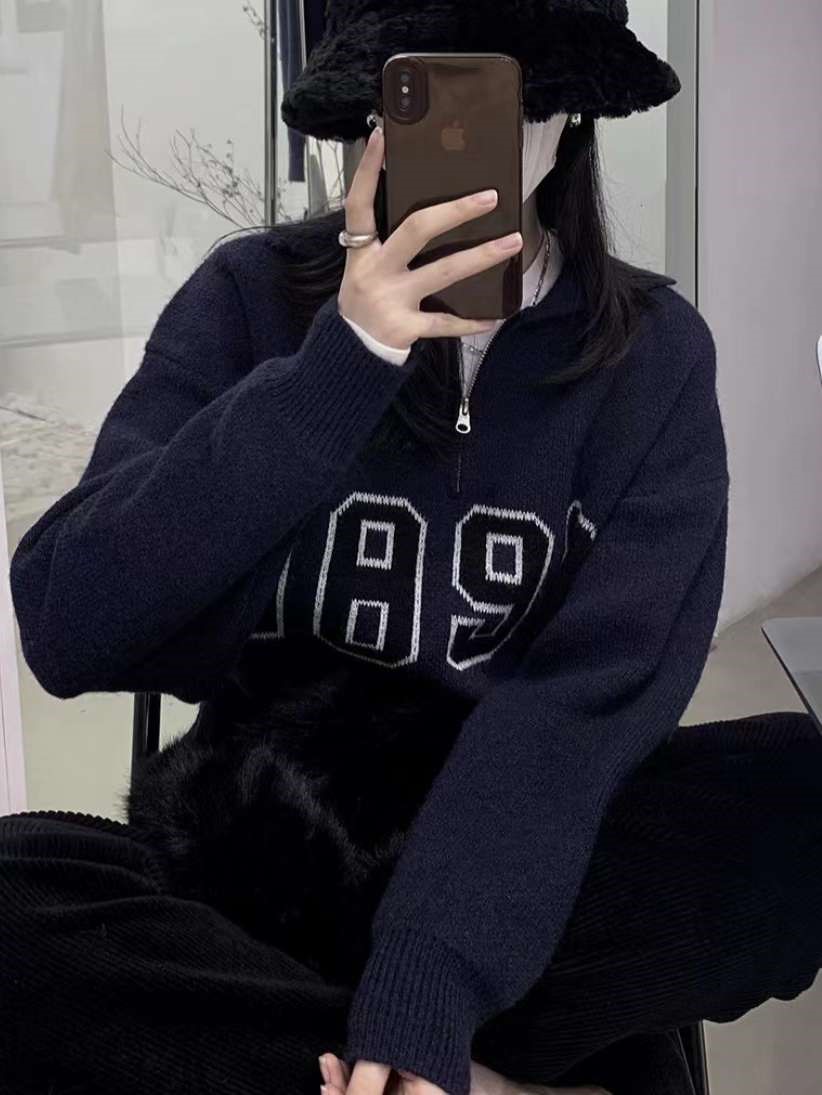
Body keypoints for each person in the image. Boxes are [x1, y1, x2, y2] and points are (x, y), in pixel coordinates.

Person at [3, 2, 822, 1094]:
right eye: (423, 91)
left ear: (570, 113)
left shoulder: (651, 358)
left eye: (504, 90)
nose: (469, 137)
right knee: (15, 894)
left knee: (795, 794)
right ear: (375, 112)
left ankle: (345, 1055)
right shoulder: (253, 298)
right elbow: (70, 623)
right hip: (259, 850)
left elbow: (587, 709)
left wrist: (429, 981)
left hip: (516, 861)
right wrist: (345, 359)